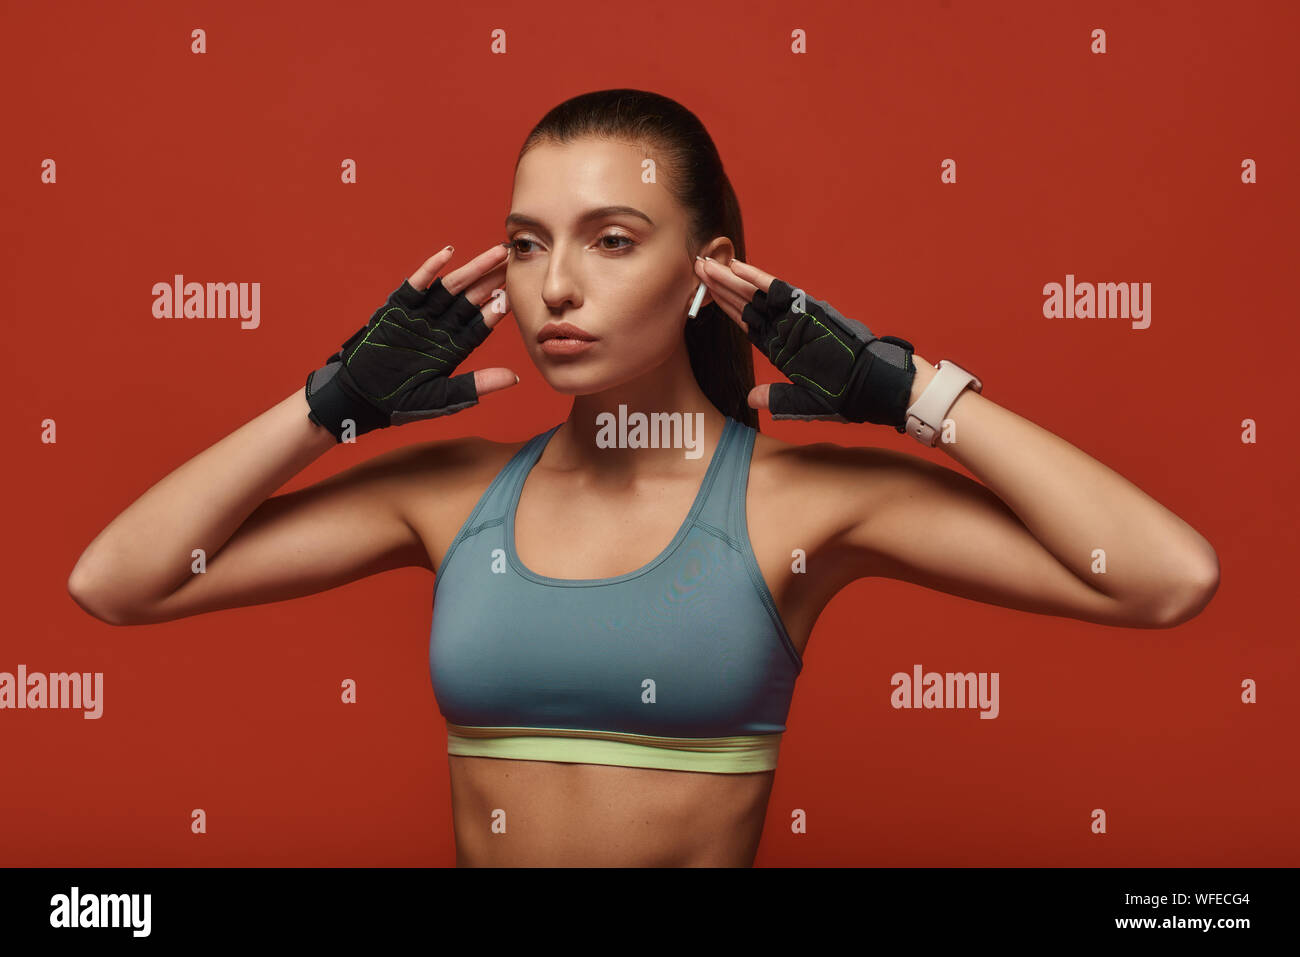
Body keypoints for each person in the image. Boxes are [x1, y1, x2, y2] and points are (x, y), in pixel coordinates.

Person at [66, 89, 1220, 867]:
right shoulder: (451, 496)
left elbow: (1163, 577)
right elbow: (120, 582)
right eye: (526, 244)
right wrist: (331, 407)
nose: (553, 286)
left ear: (703, 273)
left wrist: (912, 392)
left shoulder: (798, 508)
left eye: (611, 239)